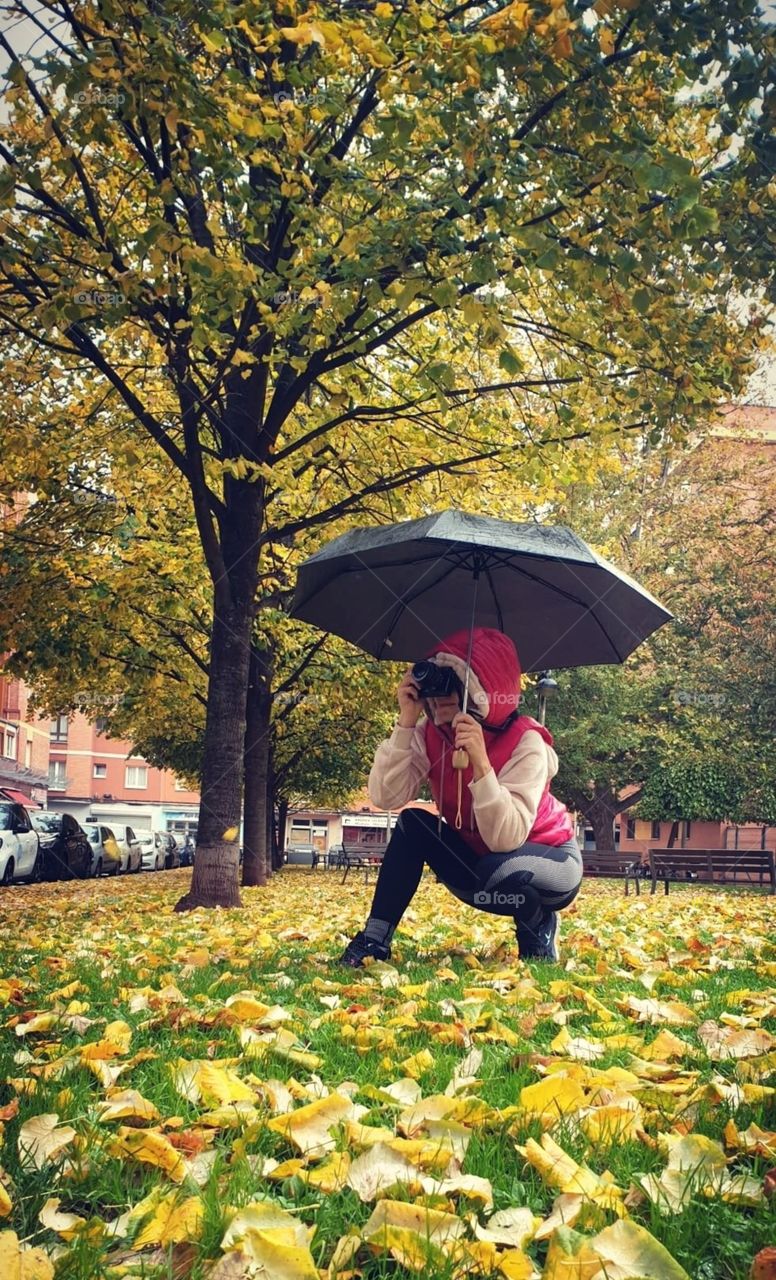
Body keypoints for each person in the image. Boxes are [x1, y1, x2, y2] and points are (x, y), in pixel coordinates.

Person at [340, 628, 582, 967]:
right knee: (412, 823)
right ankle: (375, 938)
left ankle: (539, 925)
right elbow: (385, 796)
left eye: (450, 688)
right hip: (481, 862)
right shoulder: (432, 733)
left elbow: (505, 838)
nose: (437, 700)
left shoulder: (527, 742)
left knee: (500, 871)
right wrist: (406, 723)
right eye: (432, 690)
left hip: (550, 857)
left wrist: (482, 764)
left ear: (481, 691)